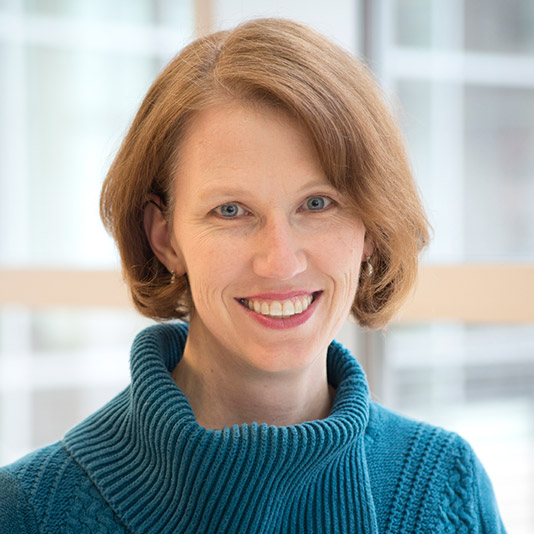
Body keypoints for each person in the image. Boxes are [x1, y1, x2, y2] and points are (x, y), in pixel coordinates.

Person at [0, 18, 505, 533]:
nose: (280, 262)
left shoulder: (447, 486)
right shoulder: (32, 512)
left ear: (370, 226)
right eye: (231, 211)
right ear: (165, 237)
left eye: (317, 203)